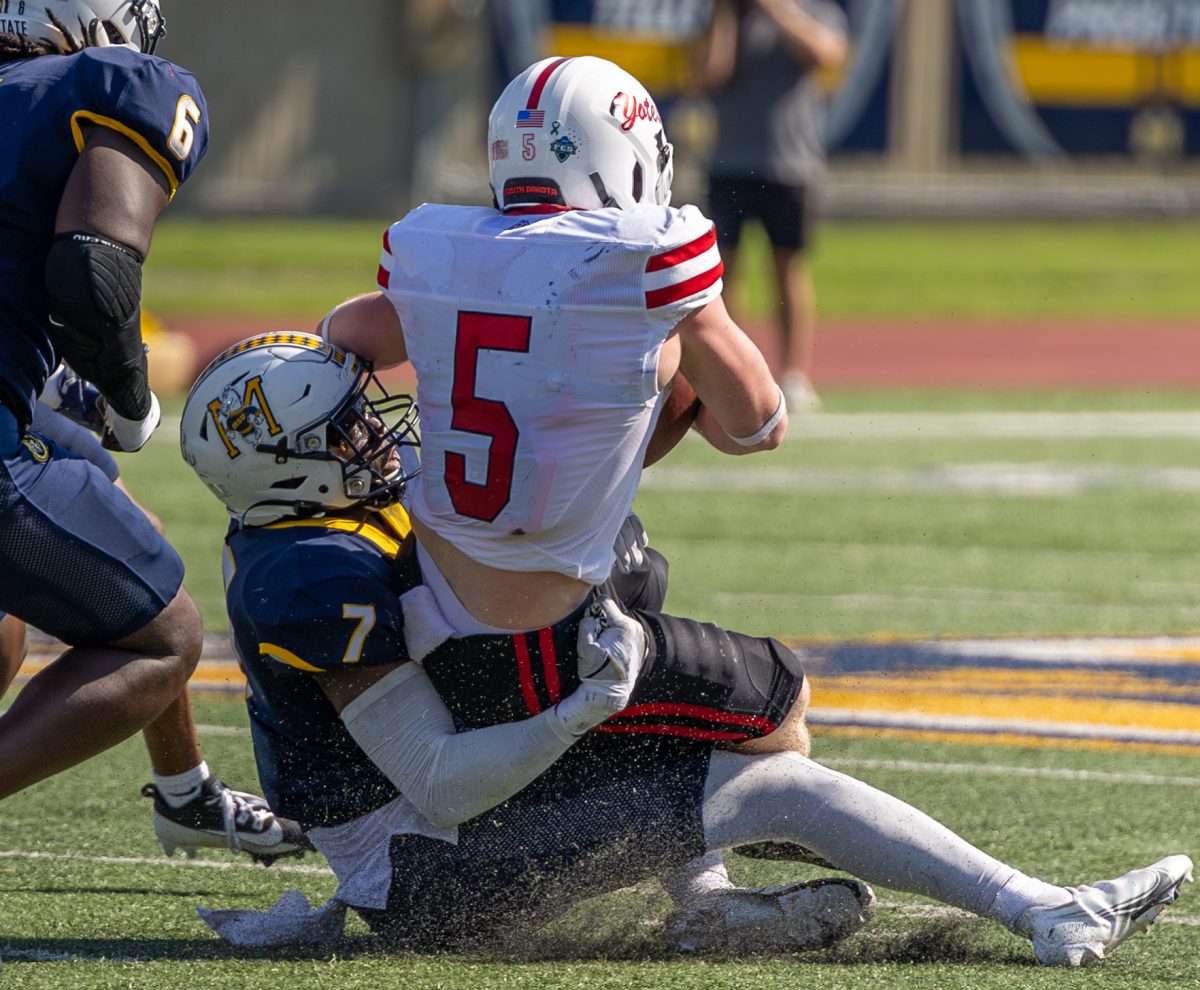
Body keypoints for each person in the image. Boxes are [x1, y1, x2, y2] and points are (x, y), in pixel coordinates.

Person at [183, 57, 1191, 967]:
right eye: (343, 431)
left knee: (632, 567)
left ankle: (707, 887)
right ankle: (1043, 910)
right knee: (772, 736)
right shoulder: (315, 575)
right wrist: (583, 707)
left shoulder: (309, 502)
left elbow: (348, 334)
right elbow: (757, 421)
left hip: (451, 732)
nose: (373, 429)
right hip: (440, 866)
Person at [0, 2, 305, 863]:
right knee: (164, 639)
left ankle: (184, 793)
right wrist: (128, 393)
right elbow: (93, 269)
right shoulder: (114, 83)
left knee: (114, 513)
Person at [695, 0, 849, 412]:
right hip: (729, 163)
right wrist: (724, 13)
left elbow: (826, 54)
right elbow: (711, 73)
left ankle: (794, 374)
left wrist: (775, 8)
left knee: (788, 268)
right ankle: (729, 373)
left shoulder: (814, 10)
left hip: (789, 164)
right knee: (722, 273)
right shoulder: (724, 14)